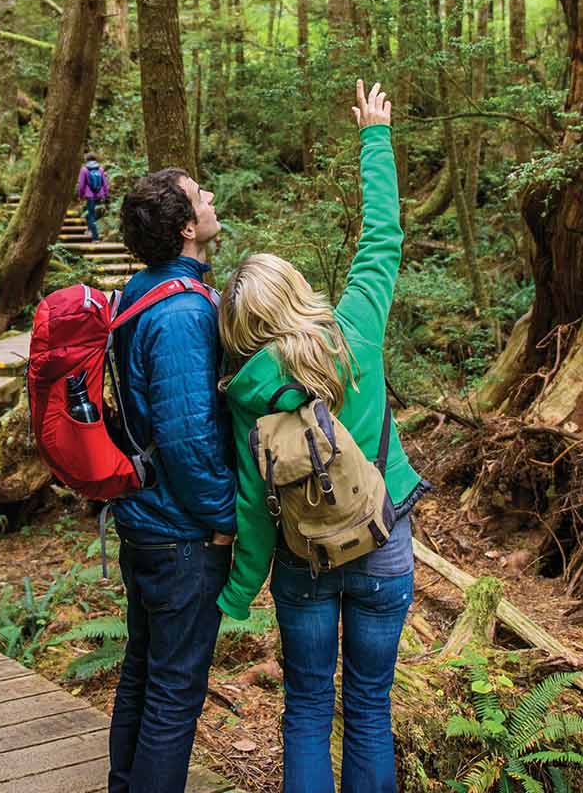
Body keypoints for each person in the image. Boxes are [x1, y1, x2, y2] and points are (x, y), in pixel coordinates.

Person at [214, 80, 428, 793]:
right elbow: (384, 237)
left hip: (302, 561)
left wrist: (239, 593)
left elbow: (251, 504)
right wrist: (375, 136)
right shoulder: (356, 330)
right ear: (298, 290)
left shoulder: (246, 398)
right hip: (383, 541)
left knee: (306, 710)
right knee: (369, 706)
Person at [105, 166, 237, 793]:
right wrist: (224, 518)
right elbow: (188, 436)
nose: (210, 198)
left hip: (144, 517)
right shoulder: (184, 313)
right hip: (180, 533)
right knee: (174, 691)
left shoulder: (140, 290)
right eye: (199, 195)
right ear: (187, 227)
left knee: (142, 670)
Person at [78, 156, 112, 241]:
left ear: (86, 160)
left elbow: (81, 185)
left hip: (89, 195)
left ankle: (95, 237)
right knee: (94, 214)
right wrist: (106, 195)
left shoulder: (84, 170)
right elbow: (105, 183)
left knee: (91, 214)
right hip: (100, 195)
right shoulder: (100, 169)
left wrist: (80, 195)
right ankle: (90, 230)